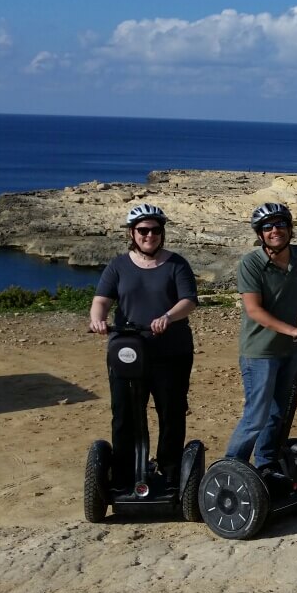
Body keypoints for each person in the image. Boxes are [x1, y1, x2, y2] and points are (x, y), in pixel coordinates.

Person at [225, 202, 297, 467]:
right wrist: (294, 330)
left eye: (280, 224)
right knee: (257, 415)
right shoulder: (251, 263)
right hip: (260, 352)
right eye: (267, 227)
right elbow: (254, 310)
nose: (275, 230)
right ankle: (232, 469)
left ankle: (265, 464)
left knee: (279, 412)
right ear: (260, 234)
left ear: (290, 229)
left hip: (291, 350)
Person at [88, 204, 199, 488]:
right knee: (125, 413)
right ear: (132, 233)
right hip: (127, 352)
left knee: (171, 412)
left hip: (171, 351)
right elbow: (102, 299)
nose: (149, 235)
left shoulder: (177, 264)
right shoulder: (118, 266)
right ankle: (125, 474)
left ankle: (171, 472)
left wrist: (167, 317)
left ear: (162, 233)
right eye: (143, 230)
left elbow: (188, 300)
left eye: (155, 230)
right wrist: (98, 320)